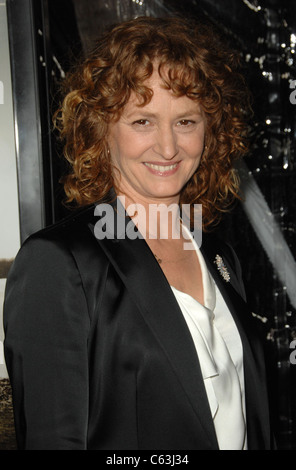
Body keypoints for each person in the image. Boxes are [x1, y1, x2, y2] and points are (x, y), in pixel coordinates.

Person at [3, 16, 273, 450]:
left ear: (211, 131)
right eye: (142, 121)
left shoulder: (220, 255)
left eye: (186, 122)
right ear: (101, 129)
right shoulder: (59, 263)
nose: (168, 147)